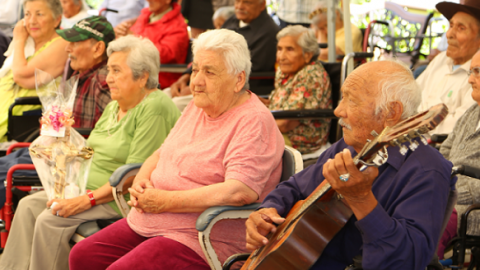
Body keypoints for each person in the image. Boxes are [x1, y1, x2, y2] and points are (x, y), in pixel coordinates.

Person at [69, 29, 284, 269]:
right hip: (152, 221)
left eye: (209, 72)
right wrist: (140, 180)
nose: (197, 81)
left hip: (202, 237)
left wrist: (164, 201)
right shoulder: (198, 105)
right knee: (83, 255)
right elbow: (161, 152)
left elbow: (239, 192)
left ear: (239, 80)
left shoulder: (253, 121)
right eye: (195, 70)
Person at [245, 60, 455, 270]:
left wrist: (361, 199)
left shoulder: (428, 171)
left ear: (391, 113)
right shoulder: (350, 148)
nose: (338, 110)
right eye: (342, 97)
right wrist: (267, 211)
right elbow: (295, 187)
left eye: (351, 100)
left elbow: (407, 260)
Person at [0, 35, 181, 270]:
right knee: (27, 207)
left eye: (116, 71)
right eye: (109, 70)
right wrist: (62, 136)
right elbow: (89, 152)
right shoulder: (115, 105)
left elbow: (133, 177)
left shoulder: (154, 107)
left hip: (117, 199)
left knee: (49, 219)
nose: (109, 79)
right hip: (85, 187)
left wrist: (84, 200)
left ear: (143, 76)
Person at [166, 0, 279, 110]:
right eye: (237, 1)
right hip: (207, 80)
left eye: (247, 2)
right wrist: (185, 77)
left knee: (173, 105)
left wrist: (196, 87)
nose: (240, 6)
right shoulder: (232, 20)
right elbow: (207, 52)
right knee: (165, 95)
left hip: (233, 92)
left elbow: (241, 72)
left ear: (262, 5)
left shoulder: (268, 32)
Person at [0, 0, 69, 142]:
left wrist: (18, 39)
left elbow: (19, 75)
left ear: (57, 20)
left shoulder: (62, 43)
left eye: (39, 14)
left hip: (23, 119)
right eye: (27, 14)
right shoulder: (29, 43)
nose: (32, 21)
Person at [437, 50, 480, 262]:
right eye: (471, 71)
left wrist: (452, 188)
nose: (470, 79)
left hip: (469, 208)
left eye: (478, 72)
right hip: (445, 194)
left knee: (423, 226)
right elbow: (446, 150)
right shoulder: (473, 112)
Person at [417, 0, 480, 134]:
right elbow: (412, 95)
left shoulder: (477, 78)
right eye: (451, 25)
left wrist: (413, 127)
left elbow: (459, 127)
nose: (449, 34)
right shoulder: (441, 59)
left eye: (461, 28)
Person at [266, 25, 331, 155]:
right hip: (278, 129)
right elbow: (277, 104)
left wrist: (254, 125)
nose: (281, 57)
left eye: (289, 49)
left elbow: (286, 123)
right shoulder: (286, 70)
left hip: (298, 141)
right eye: (279, 49)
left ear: (307, 55)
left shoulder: (311, 74)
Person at [114, 0, 189, 89]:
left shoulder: (178, 27)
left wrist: (133, 38)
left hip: (154, 82)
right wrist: (120, 34)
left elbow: (163, 55)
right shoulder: (145, 15)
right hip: (133, 74)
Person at [57, 16, 115, 128]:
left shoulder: (103, 81)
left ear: (98, 49)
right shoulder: (80, 73)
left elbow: (111, 134)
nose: (67, 48)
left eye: (75, 42)